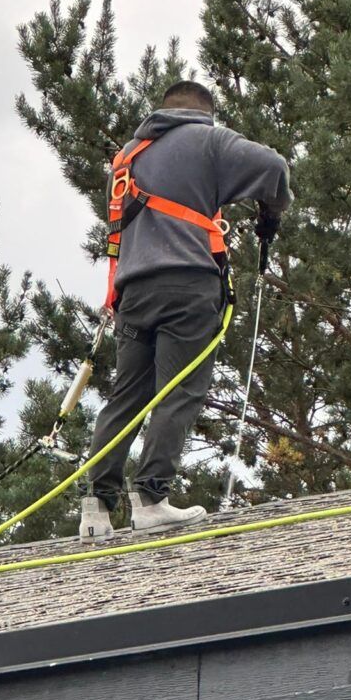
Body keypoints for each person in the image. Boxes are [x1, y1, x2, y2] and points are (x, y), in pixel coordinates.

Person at [80, 80, 291, 543]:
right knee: (180, 390)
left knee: (127, 397)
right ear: (204, 114)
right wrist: (269, 217)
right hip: (187, 286)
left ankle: (96, 508)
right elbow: (274, 168)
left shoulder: (127, 157)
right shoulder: (209, 139)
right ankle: (151, 498)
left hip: (133, 291)